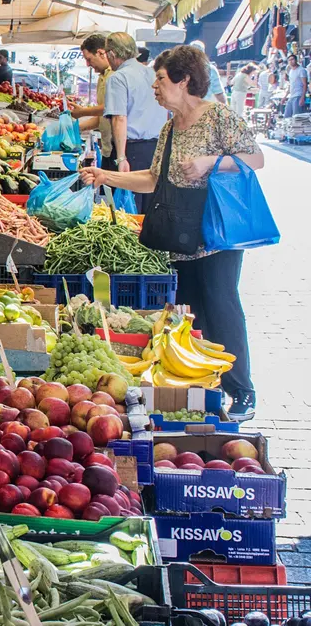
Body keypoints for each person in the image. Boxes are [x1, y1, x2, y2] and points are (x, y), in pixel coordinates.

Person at [79, 45, 262, 420]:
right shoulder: (169, 128)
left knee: (222, 304)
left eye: (161, 79)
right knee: (192, 314)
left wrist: (211, 162)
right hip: (180, 236)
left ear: (185, 80)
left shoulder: (218, 118)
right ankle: (205, 388)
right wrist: (106, 176)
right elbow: (152, 179)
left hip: (215, 234)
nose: (155, 87)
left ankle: (241, 390)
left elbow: (255, 158)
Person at [102, 32, 168, 211]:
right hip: (156, 148)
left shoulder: (118, 78)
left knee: (128, 209)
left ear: (112, 54)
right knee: (150, 205)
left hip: (132, 150)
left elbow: (119, 118)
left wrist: (121, 157)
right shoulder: (152, 73)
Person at [71, 34, 115, 169]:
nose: (88, 64)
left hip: (119, 148)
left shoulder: (115, 76)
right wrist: (76, 129)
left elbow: (111, 108)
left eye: (89, 59)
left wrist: (83, 112)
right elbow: (101, 117)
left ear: (101, 53)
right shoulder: (102, 77)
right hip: (108, 148)